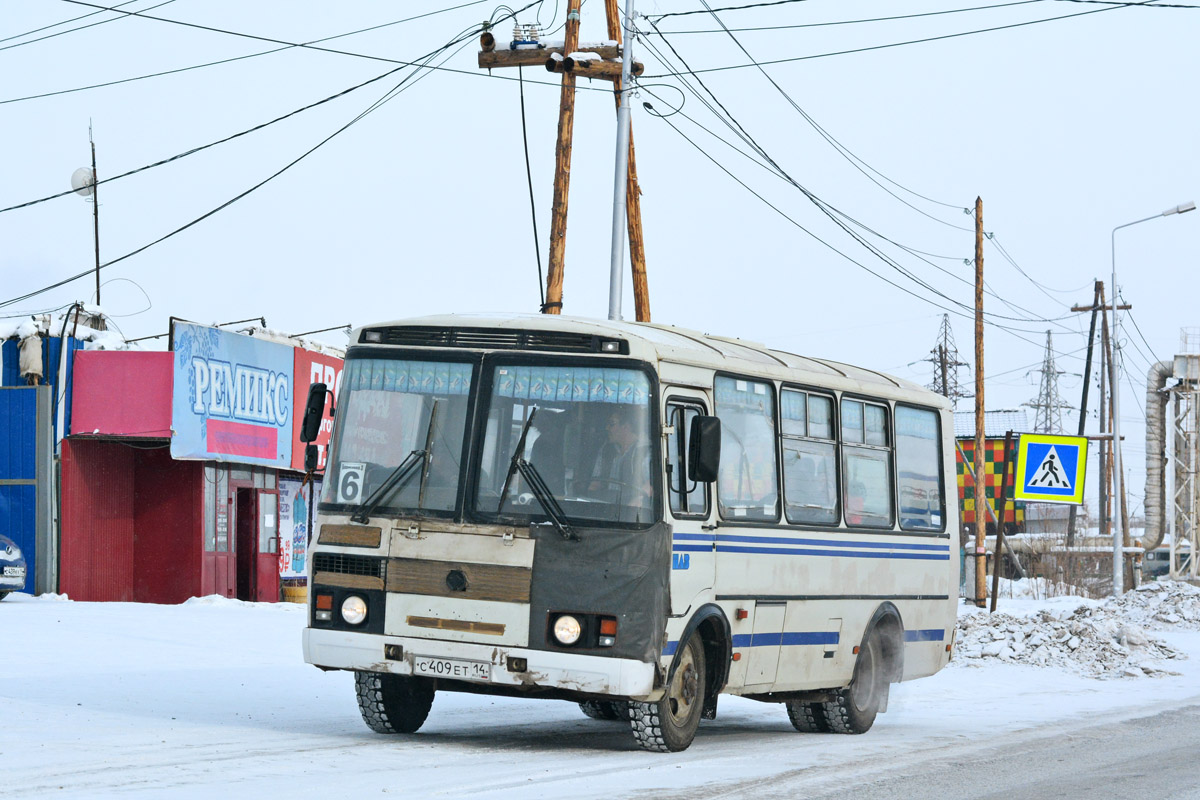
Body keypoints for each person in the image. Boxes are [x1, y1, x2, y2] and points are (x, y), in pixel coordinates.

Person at [589, 406, 651, 506]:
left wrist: (631, 507)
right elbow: (594, 484)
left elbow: (650, 486)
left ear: (626, 426)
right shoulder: (606, 449)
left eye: (611, 424)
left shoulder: (646, 452)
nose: (607, 428)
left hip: (632, 514)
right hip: (606, 509)